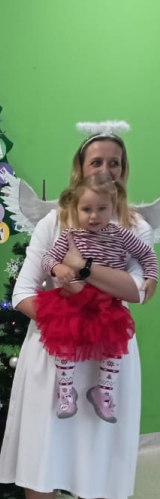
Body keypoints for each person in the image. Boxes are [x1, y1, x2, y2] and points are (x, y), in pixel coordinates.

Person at [0, 124, 157, 499]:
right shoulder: (55, 223)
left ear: (124, 170)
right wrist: (65, 319)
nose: (106, 168)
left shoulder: (136, 228)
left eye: (114, 162)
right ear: (80, 168)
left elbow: (137, 291)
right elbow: (24, 291)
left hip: (109, 354)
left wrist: (84, 268)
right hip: (56, 350)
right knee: (45, 441)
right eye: (96, 161)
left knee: (98, 444)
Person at [35, 172, 158, 422]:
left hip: (105, 304)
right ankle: (66, 391)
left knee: (113, 349)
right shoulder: (70, 236)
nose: (94, 216)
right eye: (87, 209)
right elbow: (47, 259)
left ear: (113, 207)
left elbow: (147, 254)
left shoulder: (121, 235)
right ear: (75, 209)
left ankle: (104, 392)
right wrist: (57, 268)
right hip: (73, 303)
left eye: (101, 209)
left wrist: (152, 277)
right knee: (65, 343)